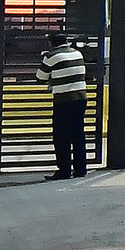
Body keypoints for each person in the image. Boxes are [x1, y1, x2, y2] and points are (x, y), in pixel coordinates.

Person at [40, 33, 92, 179]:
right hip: (81, 99)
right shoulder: (77, 53)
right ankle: (80, 169)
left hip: (63, 101)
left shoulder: (51, 57)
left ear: (51, 43)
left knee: (61, 136)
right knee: (78, 134)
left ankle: (64, 170)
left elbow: (40, 77)